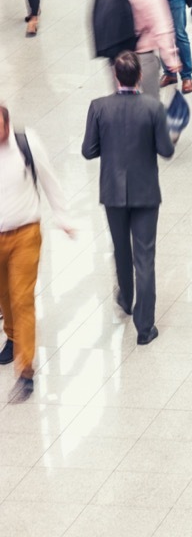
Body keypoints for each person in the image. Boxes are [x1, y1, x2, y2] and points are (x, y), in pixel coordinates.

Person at [81, 51, 175, 347]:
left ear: (115, 76)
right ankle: (145, 327)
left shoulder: (98, 107)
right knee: (144, 256)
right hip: (146, 192)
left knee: (121, 249)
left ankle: (125, 297)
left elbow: (88, 150)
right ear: (139, 77)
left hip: (112, 192)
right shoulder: (152, 107)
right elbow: (166, 150)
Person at [0, 105, 72, 404]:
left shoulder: (25, 145)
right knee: (5, 297)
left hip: (26, 234)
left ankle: (26, 370)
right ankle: (13, 335)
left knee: (22, 298)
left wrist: (63, 216)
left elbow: (49, 179)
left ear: (7, 124)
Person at [114, 0, 183, 98]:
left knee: (124, 102)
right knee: (151, 105)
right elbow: (162, 28)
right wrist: (172, 59)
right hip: (142, 58)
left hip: (118, 59)